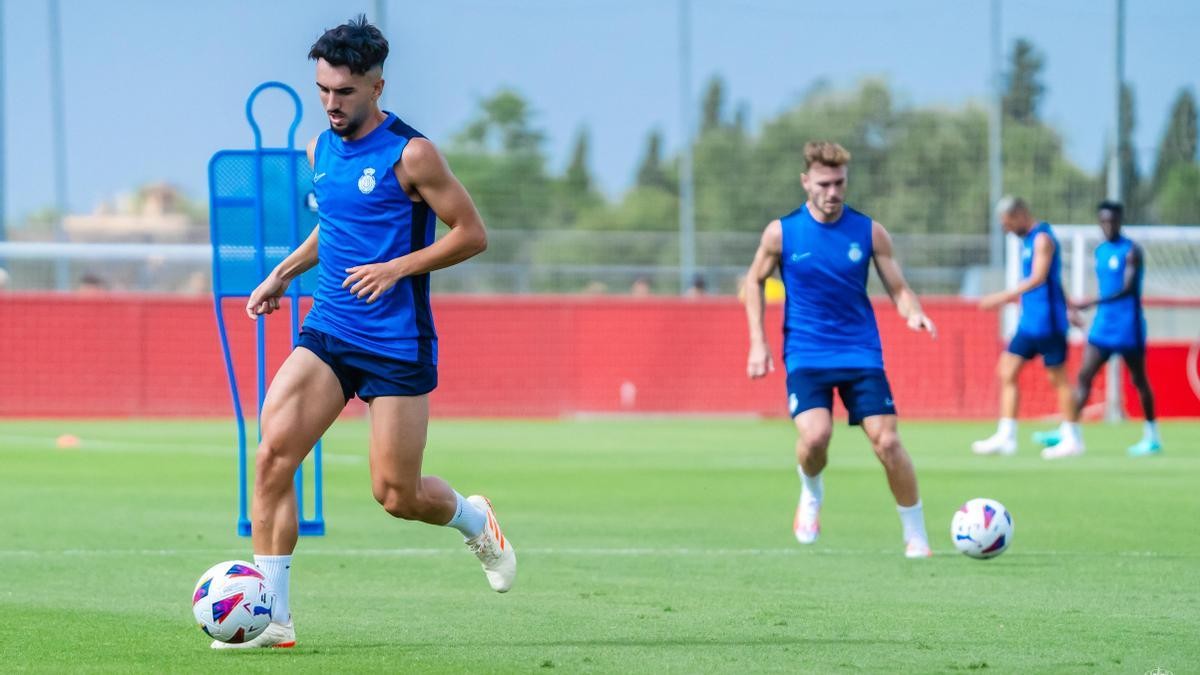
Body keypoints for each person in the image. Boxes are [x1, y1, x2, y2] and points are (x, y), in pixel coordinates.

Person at [219, 16, 514, 649]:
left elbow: (471, 233)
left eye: (345, 92)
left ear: (377, 86)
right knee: (272, 455)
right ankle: (274, 619)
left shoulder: (413, 153)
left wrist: (397, 268)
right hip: (328, 329)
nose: (331, 104)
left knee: (396, 494)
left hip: (396, 344)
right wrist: (281, 273)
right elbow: (339, 229)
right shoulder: (318, 149)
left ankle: (474, 518)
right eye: (323, 90)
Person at [744, 141, 937, 559]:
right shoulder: (782, 232)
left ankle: (916, 534)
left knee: (886, 442)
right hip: (807, 352)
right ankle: (811, 493)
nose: (833, 192)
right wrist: (758, 342)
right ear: (805, 182)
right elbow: (753, 281)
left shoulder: (869, 231)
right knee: (816, 438)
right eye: (824, 183)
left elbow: (899, 288)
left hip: (860, 352)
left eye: (840, 183)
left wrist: (913, 312)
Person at [1035, 201, 1162, 457]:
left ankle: (1151, 435)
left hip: (1128, 326)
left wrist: (1090, 302)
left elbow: (1127, 288)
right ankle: (1070, 431)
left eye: (1112, 221)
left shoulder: (1131, 251)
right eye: (1103, 221)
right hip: (1103, 325)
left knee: (1139, 380)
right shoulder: (1101, 251)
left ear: (1120, 221)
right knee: (1084, 376)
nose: (1108, 225)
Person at [973, 197, 1080, 459]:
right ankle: (1006, 436)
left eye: (1008, 223)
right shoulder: (1027, 241)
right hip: (1029, 323)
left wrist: (1001, 297)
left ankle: (1073, 437)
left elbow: (1040, 277)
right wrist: (1071, 307)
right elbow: (1056, 280)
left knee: (1058, 378)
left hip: (1048, 322)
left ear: (1020, 214)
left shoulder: (1042, 238)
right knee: (1007, 370)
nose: (1007, 229)